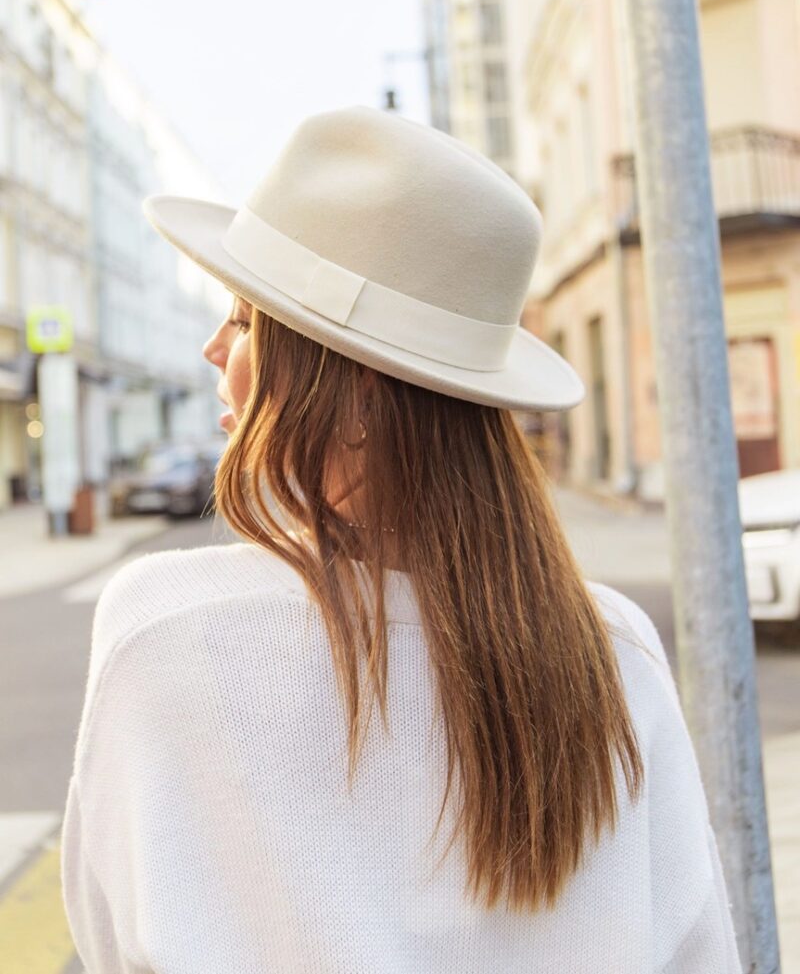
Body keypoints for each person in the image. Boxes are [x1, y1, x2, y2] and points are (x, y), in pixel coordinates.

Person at [60, 105, 742, 973]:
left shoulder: (162, 628)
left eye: (242, 318)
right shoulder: (614, 656)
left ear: (347, 401)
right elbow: (701, 953)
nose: (211, 347)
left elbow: (113, 937)